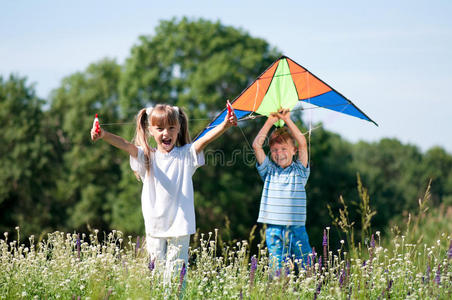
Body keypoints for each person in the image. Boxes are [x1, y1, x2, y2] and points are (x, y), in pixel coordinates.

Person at [90, 103, 237, 281]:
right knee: (156, 274)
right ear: (150, 130)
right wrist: (103, 134)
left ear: (179, 129)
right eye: (160, 129)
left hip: (180, 224)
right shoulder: (147, 156)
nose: (166, 133)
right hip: (155, 223)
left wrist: (225, 125)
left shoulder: (186, 155)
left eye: (171, 128)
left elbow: (204, 140)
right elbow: (125, 144)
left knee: (176, 274)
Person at [252, 108, 312, 269]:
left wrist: (287, 120)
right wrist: (270, 121)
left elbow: (303, 143)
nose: (279, 153)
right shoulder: (269, 171)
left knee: (308, 268)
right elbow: (257, 146)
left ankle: (312, 293)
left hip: (297, 227)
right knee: (278, 271)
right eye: (275, 150)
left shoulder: (300, 171)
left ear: (294, 150)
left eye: (284, 149)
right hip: (273, 229)